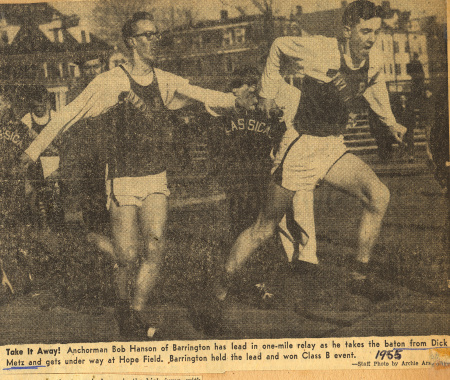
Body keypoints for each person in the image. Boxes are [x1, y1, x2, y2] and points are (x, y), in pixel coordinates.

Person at [18, 12, 251, 340]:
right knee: (126, 257)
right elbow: (69, 114)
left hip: (155, 177)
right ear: (130, 41)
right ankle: (124, 308)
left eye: (156, 34)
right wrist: (31, 152)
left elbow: (198, 93)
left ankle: (136, 313)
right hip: (123, 180)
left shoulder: (165, 79)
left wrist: (236, 101)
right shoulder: (110, 81)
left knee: (154, 248)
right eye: (146, 35)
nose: (153, 40)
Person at [210, 0, 407, 319]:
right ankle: (218, 291)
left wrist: (390, 122)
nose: (371, 38)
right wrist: (266, 92)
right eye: (365, 31)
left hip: (331, 146)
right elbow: (277, 47)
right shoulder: (322, 50)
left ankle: (358, 277)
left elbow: (375, 87)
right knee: (263, 227)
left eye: (376, 32)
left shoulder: (373, 61)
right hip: (300, 146)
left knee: (378, 195)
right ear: (347, 30)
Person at [206, 66, 286, 307]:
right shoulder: (225, 113)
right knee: (241, 228)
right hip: (238, 181)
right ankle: (238, 282)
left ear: (252, 86)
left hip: (263, 178)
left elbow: (282, 140)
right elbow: (215, 144)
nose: (233, 90)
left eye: (238, 85)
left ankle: (262, 284)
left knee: (265, 230)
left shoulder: (268, 112)